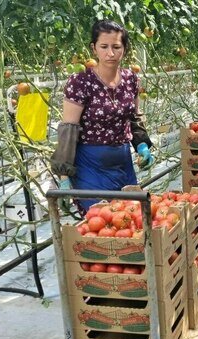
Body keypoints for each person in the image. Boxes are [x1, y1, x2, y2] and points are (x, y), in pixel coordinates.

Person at [50, 19, 153, 214]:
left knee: (130, 218)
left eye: (116, 46)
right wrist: (63, 177)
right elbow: (68, 129)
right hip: (90, 165)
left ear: (124, 48)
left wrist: (141, 145)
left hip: (123, 162)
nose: (110, 53)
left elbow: (133, 118)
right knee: (98, 220)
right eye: (104, 46)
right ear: (94, 48)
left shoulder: (131, 79)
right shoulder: (80, 82)